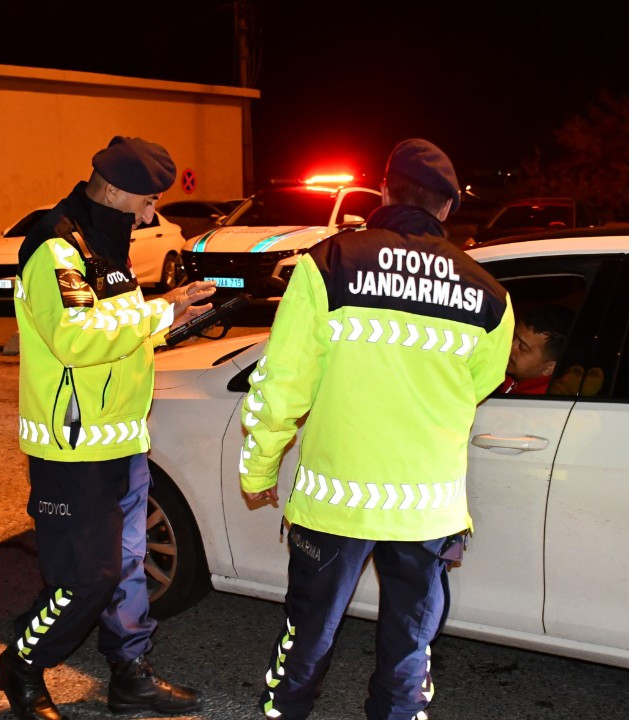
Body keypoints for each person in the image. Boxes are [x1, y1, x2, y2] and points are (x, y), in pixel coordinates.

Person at [238, 138, 515, 720]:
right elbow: (480, 382)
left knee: (307, 637)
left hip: (334, 500)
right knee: (409, 647)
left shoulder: (328, 263)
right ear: (446, 208)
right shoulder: (488, 294)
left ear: (384, 191)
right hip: (428, 507)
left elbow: (280, 384)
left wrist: (261, 468)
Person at [0, 135, 216, 720]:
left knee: (129, 569)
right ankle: (22, 663)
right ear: (112, 188)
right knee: (85, 579)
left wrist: (173, 314)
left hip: (122, 440)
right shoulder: (56, 248)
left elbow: (118, 327)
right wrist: (158, 312)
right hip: (73, 447)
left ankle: (130, 676)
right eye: (145, 201)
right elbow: (76, 340)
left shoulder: (107, 244)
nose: (151, 215)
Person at [497, 303, 573, 395]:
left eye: (522, 347)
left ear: (549, 368)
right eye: (513, 336)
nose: (510, 347)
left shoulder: (535, 403)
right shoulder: (506, 378)